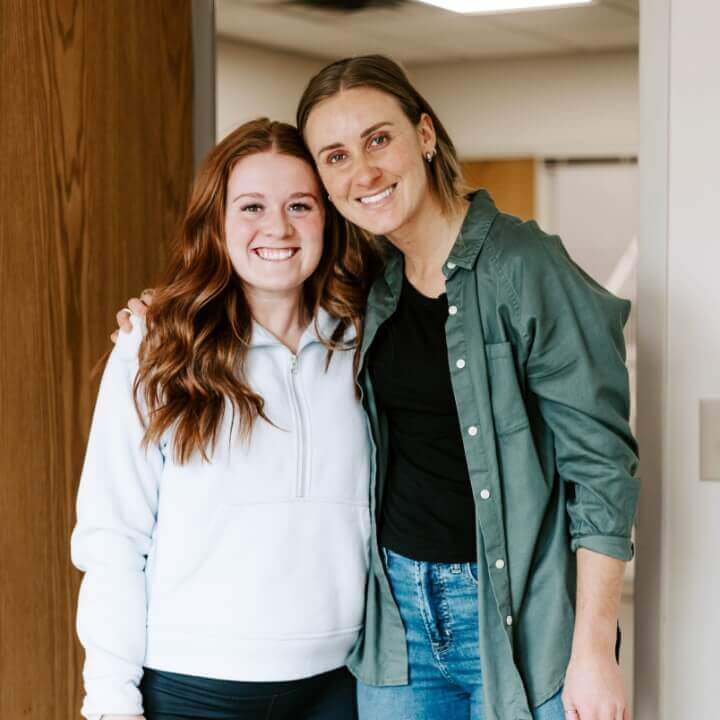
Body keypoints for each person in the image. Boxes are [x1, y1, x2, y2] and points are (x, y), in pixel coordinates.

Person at [117, 55, 639, 720]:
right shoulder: (369, 284)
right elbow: (262, 275)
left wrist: (594, 648)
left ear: (424, 135)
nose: (362, 171)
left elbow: (602, 472)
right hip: (395, 627)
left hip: (510, 621)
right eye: (334, 156)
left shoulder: (525, 268)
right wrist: (170, 310)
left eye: (378, 139)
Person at [72, 118, 382, 720]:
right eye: (251, 207)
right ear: (216, 223)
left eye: (300, 204)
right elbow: (113, 536)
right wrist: (110, 701)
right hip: (192, 688)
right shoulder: (155, 346)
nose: (278, 228)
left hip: (339, 685)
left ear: (329, 218)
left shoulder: (365, 340)